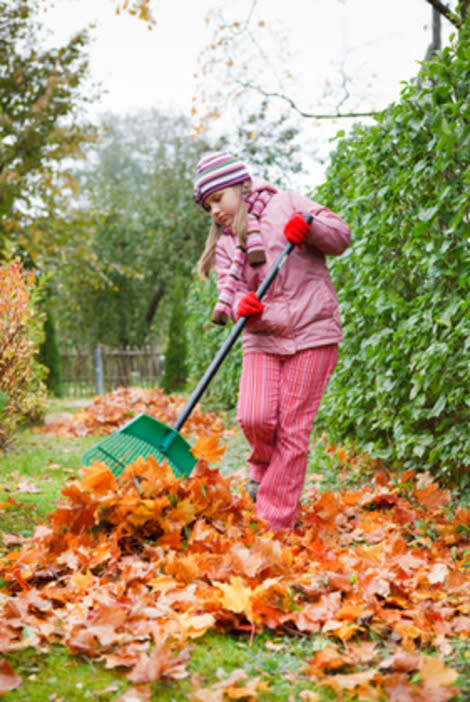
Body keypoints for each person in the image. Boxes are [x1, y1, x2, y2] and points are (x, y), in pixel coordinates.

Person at [193, 151, 350, 531]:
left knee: (293, 431)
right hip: (263, 338)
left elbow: (340, 235)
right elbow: (230, 297)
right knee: (255, 416)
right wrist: (242, 306)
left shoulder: (288, 202)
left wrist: (310, 229)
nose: (214, 210)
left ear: (242, 186)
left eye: (219, 198)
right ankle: (261, 466)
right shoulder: (226, 244)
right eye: (208, 205)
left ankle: (274, 522)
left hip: (313, 333)